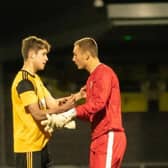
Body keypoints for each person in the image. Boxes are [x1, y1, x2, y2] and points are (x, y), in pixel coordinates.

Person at [41, 37, 127, 168]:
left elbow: (98, 103)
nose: (73, 59)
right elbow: (92, 113)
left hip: (109, 135)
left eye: (75, 55)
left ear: (87, 55)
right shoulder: (92, 78)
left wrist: (71, 113)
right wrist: (67, 119)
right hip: (99, 138)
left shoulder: (103, 73)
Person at [11, 35, 80, 168]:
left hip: (41, 146)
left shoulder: (35, 78)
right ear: (31, 55)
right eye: (43, 54)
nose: (46, 58)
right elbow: (37, 113)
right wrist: (62, 109)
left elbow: (53, 104)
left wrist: (78, 96)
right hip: (29, 149)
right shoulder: (24, 81)